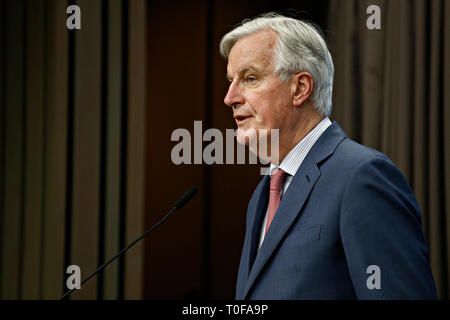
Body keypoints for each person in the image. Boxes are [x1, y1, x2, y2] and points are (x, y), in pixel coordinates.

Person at [220, 13, 437, 299]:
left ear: (300, 88)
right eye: (231, 80)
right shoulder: (265, 192)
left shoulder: (362, 177)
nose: (229, 96)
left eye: (250, 78)